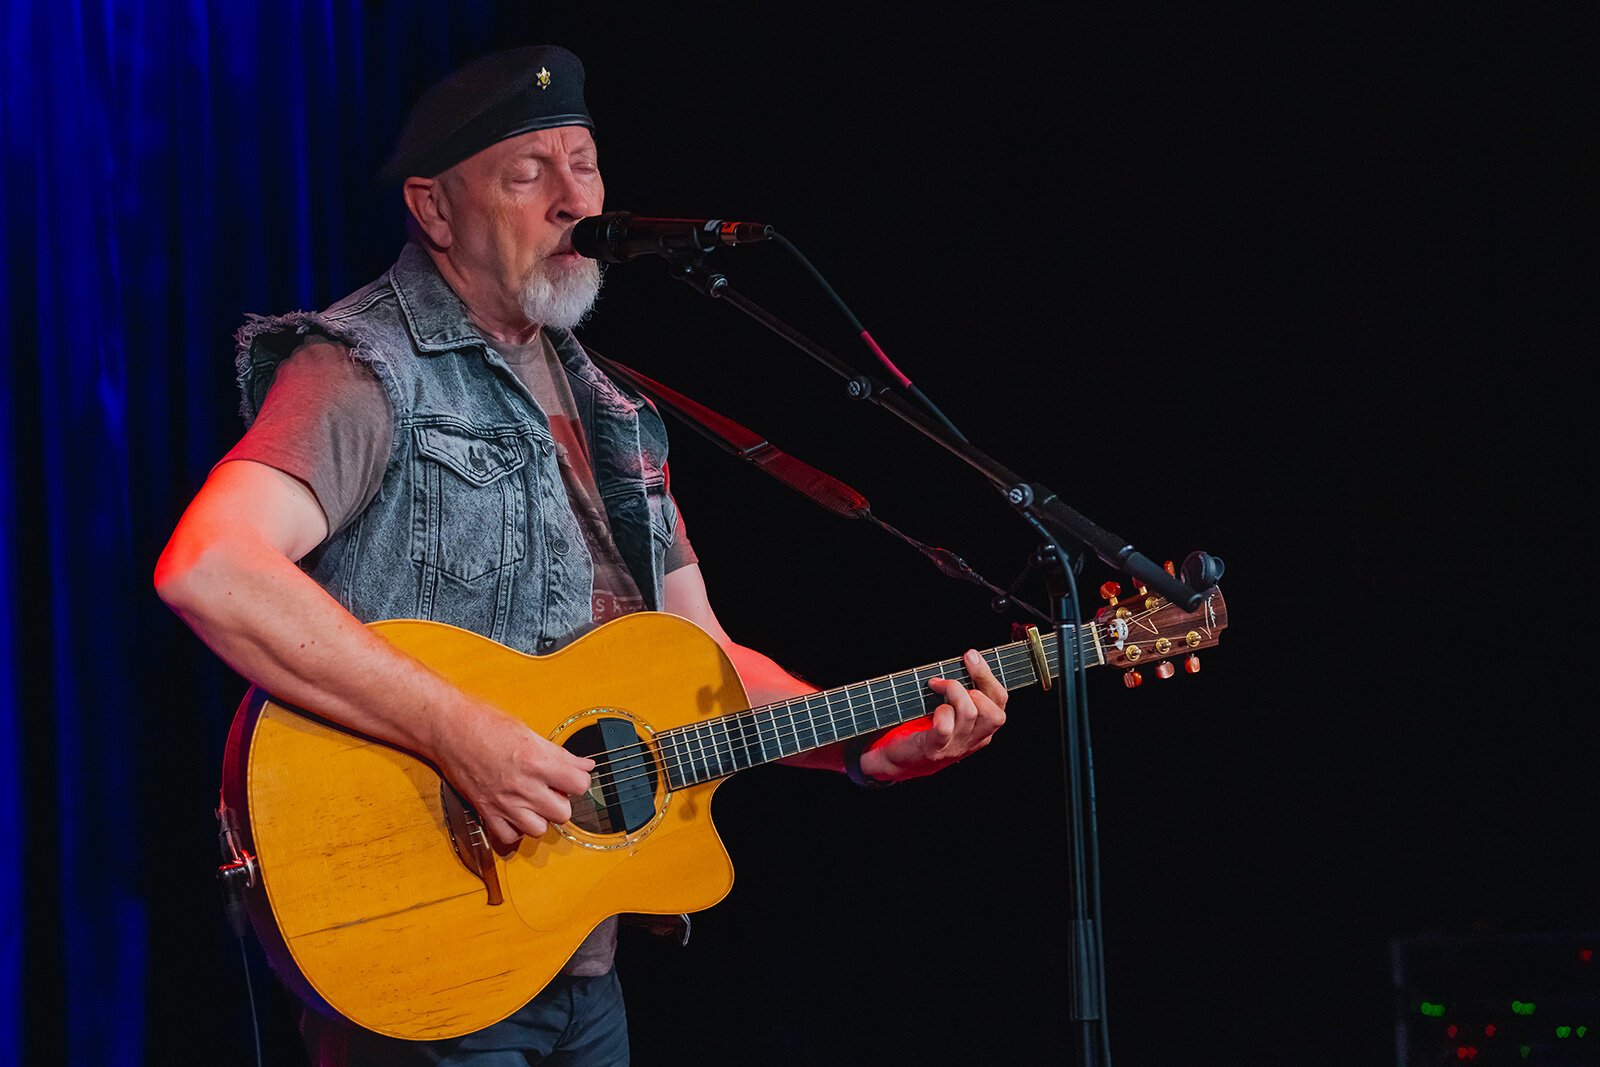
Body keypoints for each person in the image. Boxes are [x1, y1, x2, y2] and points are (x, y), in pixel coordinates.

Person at [154, 44, 1007, 1065]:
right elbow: (209, 565)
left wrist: (863, 743)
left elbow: (705, 665)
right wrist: (462, 730)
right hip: (423, 941)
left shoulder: (616, 411)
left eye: (586, 165)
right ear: (433, 209)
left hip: (574, 952)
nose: (573, 200)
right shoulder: (361, 369)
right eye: (529, 173)